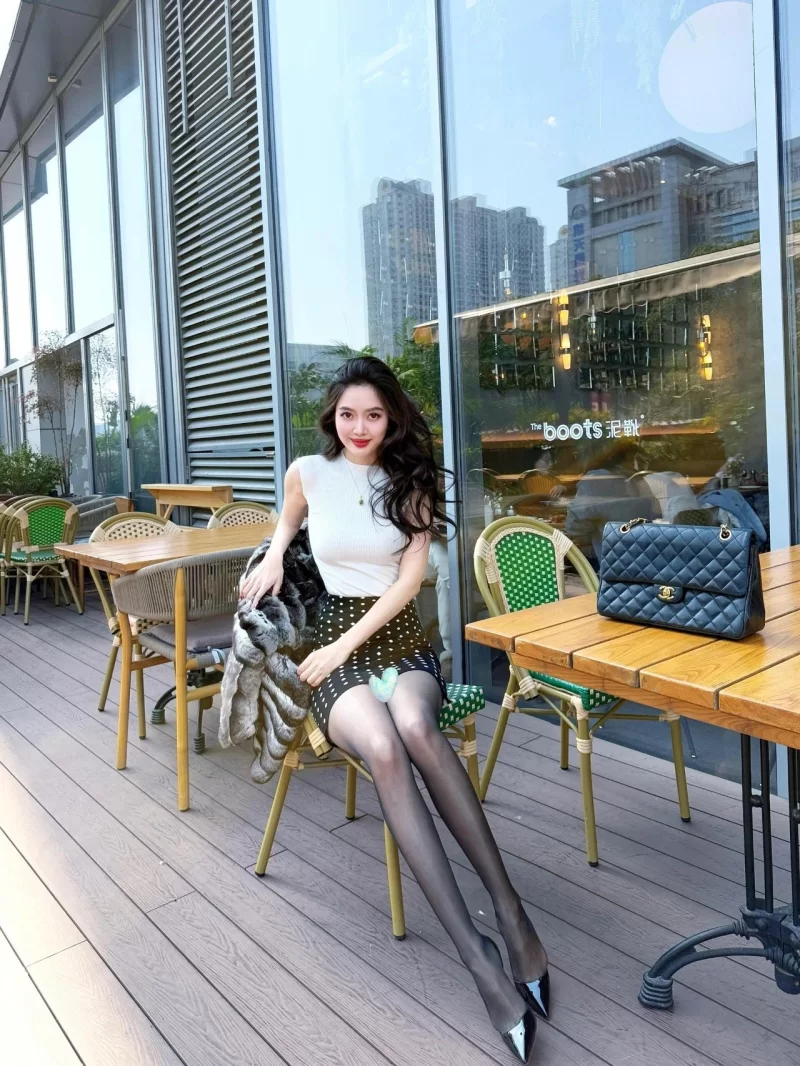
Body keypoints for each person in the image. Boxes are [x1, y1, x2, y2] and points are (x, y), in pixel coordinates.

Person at [241, 356, 547, 1063]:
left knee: (414, 726)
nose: (360, 428)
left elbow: (407, 585)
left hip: (398, 640)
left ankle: (512, 914)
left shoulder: (409, 480)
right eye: (348, 414)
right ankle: (477, 958)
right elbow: (290, 516)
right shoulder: (307, 472)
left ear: (392, 419)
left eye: (373, 415)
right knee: (382, 747)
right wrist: (276, 554)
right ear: (333, 417)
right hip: (333, 648)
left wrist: (341, 645)